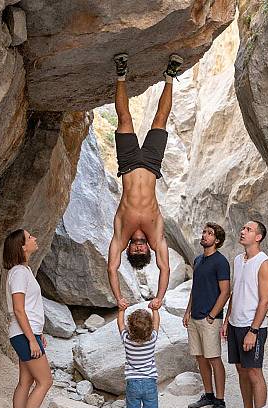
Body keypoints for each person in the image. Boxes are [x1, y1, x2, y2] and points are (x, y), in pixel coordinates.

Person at [108, 52, 183, 311]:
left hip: (128, 164)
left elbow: (111, 267)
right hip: (151, 165)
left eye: (135, 249)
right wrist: (160, 297)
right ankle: (170, 76)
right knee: (160, 121)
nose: (139, 245)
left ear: (128, 249)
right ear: (147, 250)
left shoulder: (121, 234)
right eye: (143, 249)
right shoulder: (156, 235)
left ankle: (121, 74)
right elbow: (165, 267)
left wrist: (118, 298)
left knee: (124, 120)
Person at [3, 229, 53, 408]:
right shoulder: (19, 273)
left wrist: (38, 336)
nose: (34, 238)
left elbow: (30, 309)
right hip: (24, 334)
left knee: (26, 381)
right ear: (22, 246)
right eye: (30, 237)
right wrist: (32, 339)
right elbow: (19, 310)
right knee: (46, 381)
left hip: (27, 333)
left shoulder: (23, 270)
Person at [223, 220, 268, 408]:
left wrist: (253, 331)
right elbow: (235, 292)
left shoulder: (264, 263)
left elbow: (265, 300)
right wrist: (227, 320)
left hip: (253, 326)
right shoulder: (238, 259)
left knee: (254, 371)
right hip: (235, 323)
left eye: (248, 230)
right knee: (241, 370)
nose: (242, 231)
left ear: (258, 237)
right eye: (243, 228)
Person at [183, 223, 231, 408]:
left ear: (217, 240)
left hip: (210, 319)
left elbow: (225, 292)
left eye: (209, 233)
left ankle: (220, 402)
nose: (204, 235)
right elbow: (196, 288)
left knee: (214, 358)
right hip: (194, 317)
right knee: (200, 358)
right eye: (204, 232)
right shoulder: (198, 260)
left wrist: (212, 315)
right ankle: (209, 395)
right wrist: (187, 311)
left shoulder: (221, 262)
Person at [117, 307, 160, 408]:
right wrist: (155, 309)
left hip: (133, 383)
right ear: (149, 328)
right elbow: (156, 324)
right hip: (149, 382)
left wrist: (121, 309)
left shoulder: (127, 340)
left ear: (130, 328)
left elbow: (120, 324)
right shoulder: (152, 338)